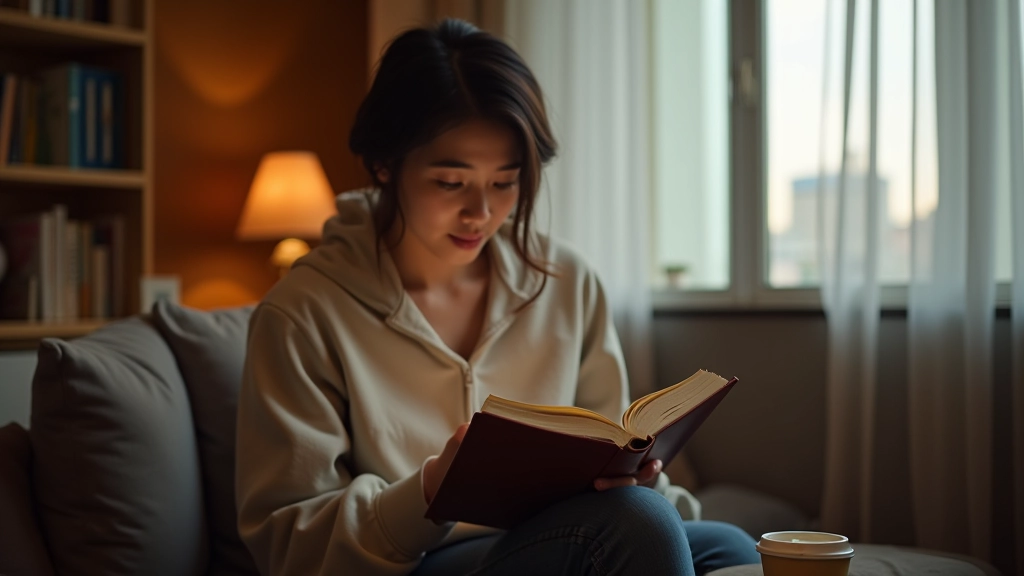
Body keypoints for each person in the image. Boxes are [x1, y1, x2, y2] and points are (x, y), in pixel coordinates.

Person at [235, 18, 761, 576]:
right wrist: (430, 490)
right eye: (450, 181)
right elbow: (288, 542)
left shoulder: (566, 280)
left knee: (728, 547)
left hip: (568, 536)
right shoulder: (304, 312)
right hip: (409, 563)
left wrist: (643, 479)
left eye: (505, 182)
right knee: (638, 528)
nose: (481, 213)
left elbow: (614, 441)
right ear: (386, 164)